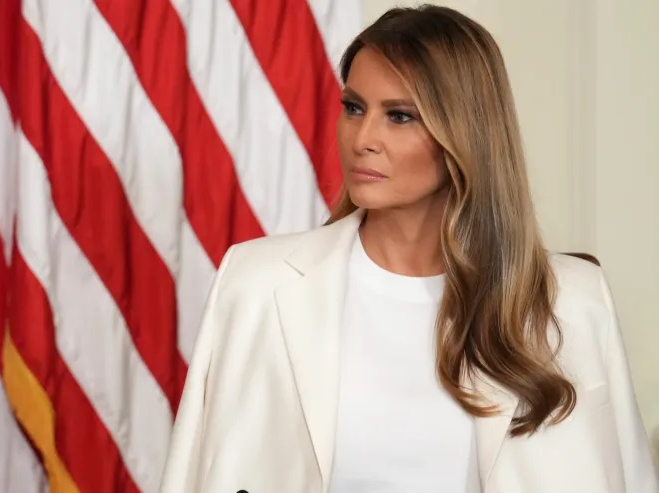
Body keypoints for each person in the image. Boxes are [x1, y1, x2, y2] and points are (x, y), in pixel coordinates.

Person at [159, 4, 659, 493]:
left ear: (465, 134)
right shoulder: (256, 282)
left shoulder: (573, 299)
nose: (363, 138)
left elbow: (628, 477)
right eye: (354, 108)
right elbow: (192, 473)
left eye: (399, 116)